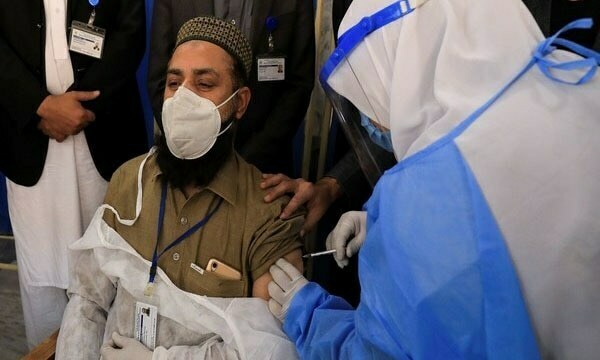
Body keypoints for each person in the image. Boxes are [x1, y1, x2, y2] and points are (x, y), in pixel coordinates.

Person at [267, 0, 600, 358]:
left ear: (407, 66)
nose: (373, 122)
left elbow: (380, 352)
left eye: (371, 101)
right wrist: (385, 224)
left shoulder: (424, 197)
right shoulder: (578, 80)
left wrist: (309, 316)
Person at [56, 17, 304, 359]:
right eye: (174, 83)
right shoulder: (129, 181)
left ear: (240, 102)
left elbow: (270, 349)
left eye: (204, 84)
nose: (183, 97)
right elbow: (88, 301)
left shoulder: (267, 213)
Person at [0, 0, 147, 348]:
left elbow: (131, 32)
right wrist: (39, 106)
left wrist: (82, 108)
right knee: (43, 273)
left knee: (110, 267)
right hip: (27, 138)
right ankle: (49, 350)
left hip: (103, 134)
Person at [147, 0, 315, 176]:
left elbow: (299, 84)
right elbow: (160, 79)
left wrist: (251, 158)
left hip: (265, 168)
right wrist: (188, 141)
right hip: (189, 164)